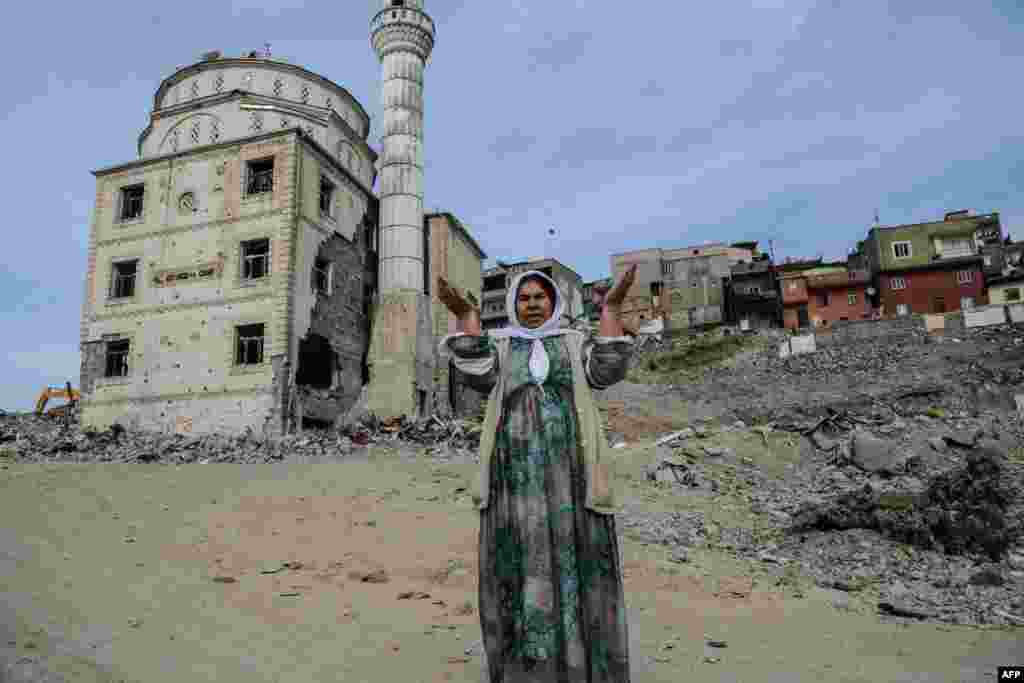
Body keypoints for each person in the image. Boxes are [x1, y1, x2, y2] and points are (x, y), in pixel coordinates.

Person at [438, 264, 637, 683]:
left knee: (575, 561)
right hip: (514, 479)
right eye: (524, 298)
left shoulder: (573, 343)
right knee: (520, 565)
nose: (532, 304)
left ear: (554, 302)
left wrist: (613, 307)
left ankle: (582, 668)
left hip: (572, 475)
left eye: (539, 297)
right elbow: (475, 368)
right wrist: (465, 314)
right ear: (513, 303)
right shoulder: (502, 347)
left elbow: (608, 370)